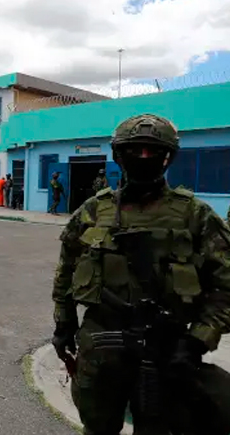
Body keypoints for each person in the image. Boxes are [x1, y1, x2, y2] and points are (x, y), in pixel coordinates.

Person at [51, 114, 230, 435]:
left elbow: (225, 288)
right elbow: (66, 269)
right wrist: (63, 323)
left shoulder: (195, 215)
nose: (143, 158)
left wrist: (196, 342)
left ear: (168, 158)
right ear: (119, 155)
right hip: (100, 346)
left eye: (153, 151)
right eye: (135, 151)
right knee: (97, 428)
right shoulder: (93, 210)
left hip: (165, 349)